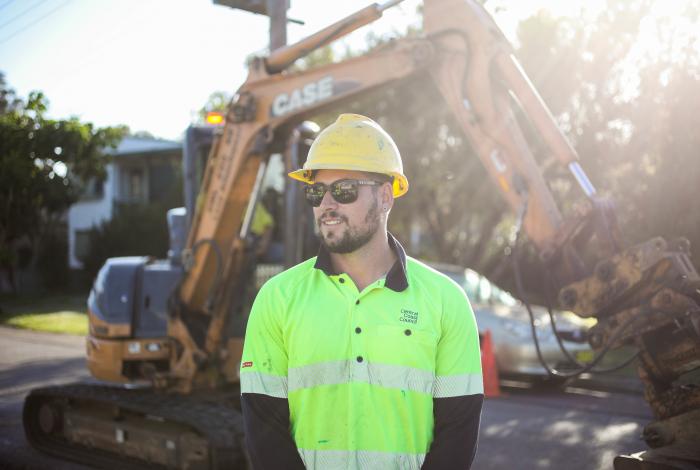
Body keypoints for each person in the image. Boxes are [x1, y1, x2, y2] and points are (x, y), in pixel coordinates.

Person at [239, 113, 483, 469]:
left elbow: (457, 432)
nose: (327, 204)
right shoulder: (277, 299)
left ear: (385, 197)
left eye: (344, 190)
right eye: (316, 191)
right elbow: (264, 429)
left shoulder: (446, 301)